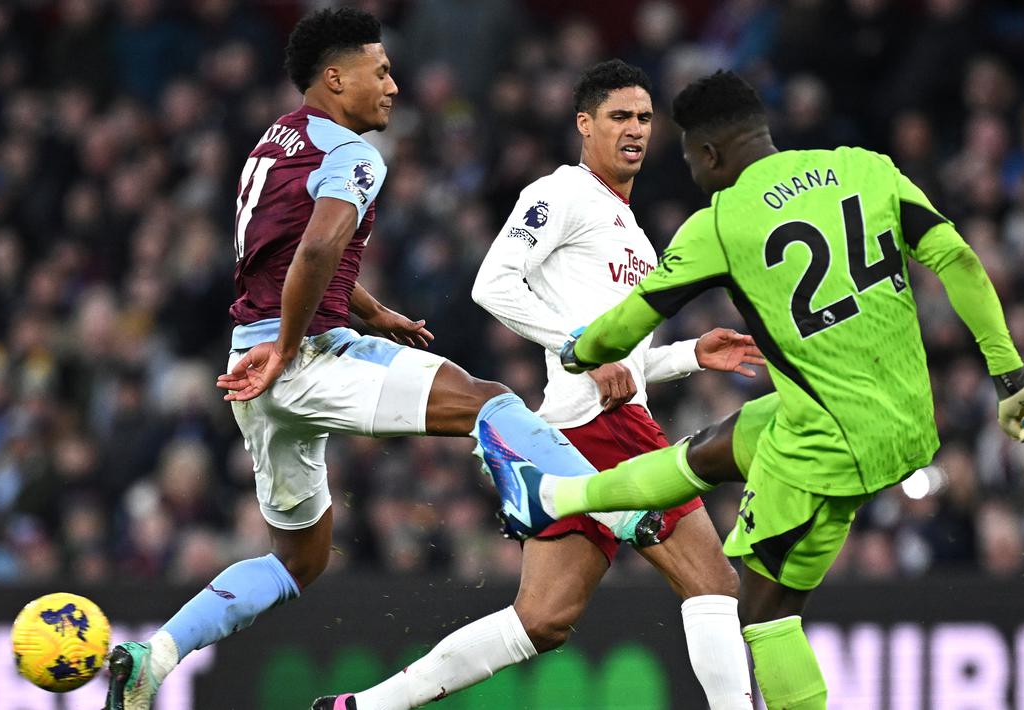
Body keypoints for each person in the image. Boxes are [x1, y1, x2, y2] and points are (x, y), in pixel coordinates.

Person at [101, 10, 684, 709]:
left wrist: (366, 308)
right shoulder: (356, 156)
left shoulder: (276, 137)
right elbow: (317, 247)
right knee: (489, 401)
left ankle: (152, 657)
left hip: (251, 369)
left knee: (299, 561)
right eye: (379, 72)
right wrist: (291, 346)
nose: (393, 86)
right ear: (335, 77)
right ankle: (608, 511)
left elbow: (292, 249)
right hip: (301, 356)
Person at [487, 70, 1024, 710]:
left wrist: (579, 350)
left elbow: (628, 322)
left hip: (829, 440)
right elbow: (956, 260)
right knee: (711, 450)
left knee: (761, 611)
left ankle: (556, 493)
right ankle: (556, 493)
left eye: (684, 156)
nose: (686, 171)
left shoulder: (723, 221)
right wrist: (1009, 376)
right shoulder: (867, 168)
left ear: (708, 154)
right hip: (902, 418)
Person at [323, 60, 762, 710]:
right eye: (619, 116)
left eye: (644, 117)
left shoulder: (633, 233)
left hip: (577, 424)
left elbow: (624, 364)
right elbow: (492, 284)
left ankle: (364, 707)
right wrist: (579, 350)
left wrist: (688, 356)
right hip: (602, 428)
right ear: (584, 124)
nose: (635, 129)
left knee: (542, 619)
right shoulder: (561, 194)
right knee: (714, 585)